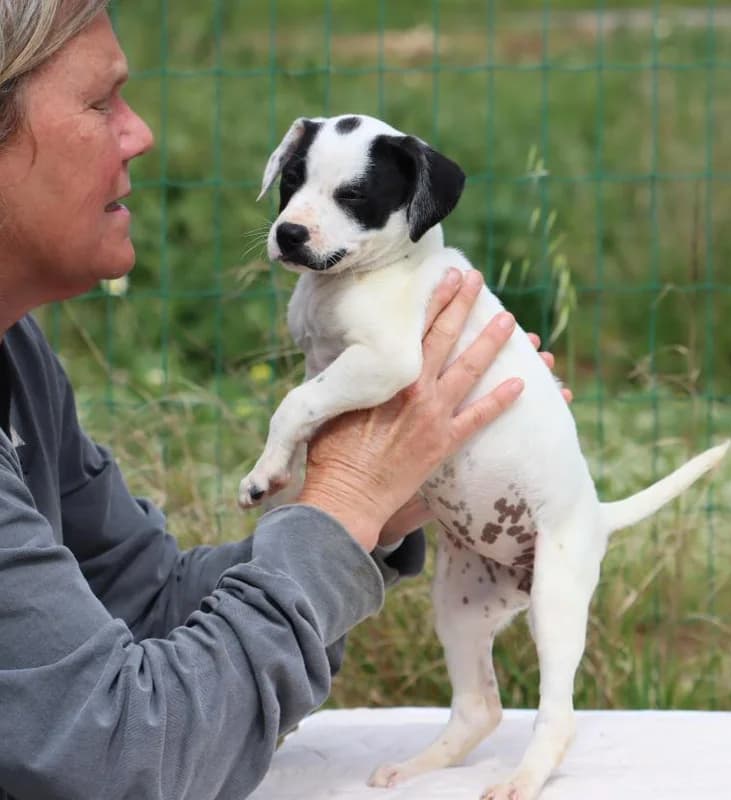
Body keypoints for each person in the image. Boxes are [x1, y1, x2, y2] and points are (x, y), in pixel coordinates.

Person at [0, 4, 570, 798]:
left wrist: (383, 502)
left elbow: (146, 605)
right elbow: (123, 757)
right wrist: (336, 510)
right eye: (102, 104)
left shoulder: (15, 355)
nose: (141, 134)